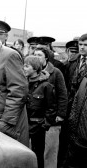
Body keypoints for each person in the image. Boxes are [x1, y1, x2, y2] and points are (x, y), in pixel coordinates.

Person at [34, 47, 68, 168]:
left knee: (50, 150)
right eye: (34, 54)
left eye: (39, 55)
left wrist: (61, 114)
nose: (36, 57)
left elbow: (63, 94)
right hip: (35, 118)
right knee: (35, 150)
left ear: (46, 58)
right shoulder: (31, 71)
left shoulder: (56, 72)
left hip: (52, 117)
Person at [24, 55, 56, 168]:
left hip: (38, 126)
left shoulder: (46, 86)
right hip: (23, 125)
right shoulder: (23, 83)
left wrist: (45, 124)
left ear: (35, 68)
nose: (24, 68)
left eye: (26, 66)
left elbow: (51, 108)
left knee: (38, 154)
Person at [63, 33, 87, 168]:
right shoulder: (73, 62)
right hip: (71, 108)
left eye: (85, 45)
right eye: (81, 44)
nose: (82, 47)